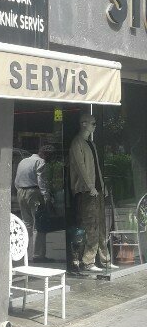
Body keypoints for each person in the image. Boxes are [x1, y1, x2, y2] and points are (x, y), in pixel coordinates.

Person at [68, 112, 116, 272]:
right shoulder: (77, 143)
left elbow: (97, 168)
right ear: (84, 124)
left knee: (101, 225)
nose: (95, 126)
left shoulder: (91, 144)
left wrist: (102, 185)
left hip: (97, 190)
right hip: (86, 192)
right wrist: (90, 186)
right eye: (93, 123)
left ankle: (105, 259)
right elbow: (80, 168)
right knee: (90, 225)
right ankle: (88, 261)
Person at [14, 145, 52, 261]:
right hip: (34, 192)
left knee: (26, 223)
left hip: (20, 191)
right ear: (45, 155)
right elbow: (41, 180)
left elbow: (16, 179)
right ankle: (37, 255)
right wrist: (46, 196)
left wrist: (20, 190)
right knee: (38, 224)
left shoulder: (23, 161)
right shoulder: (40, 162)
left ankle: (25, 253)